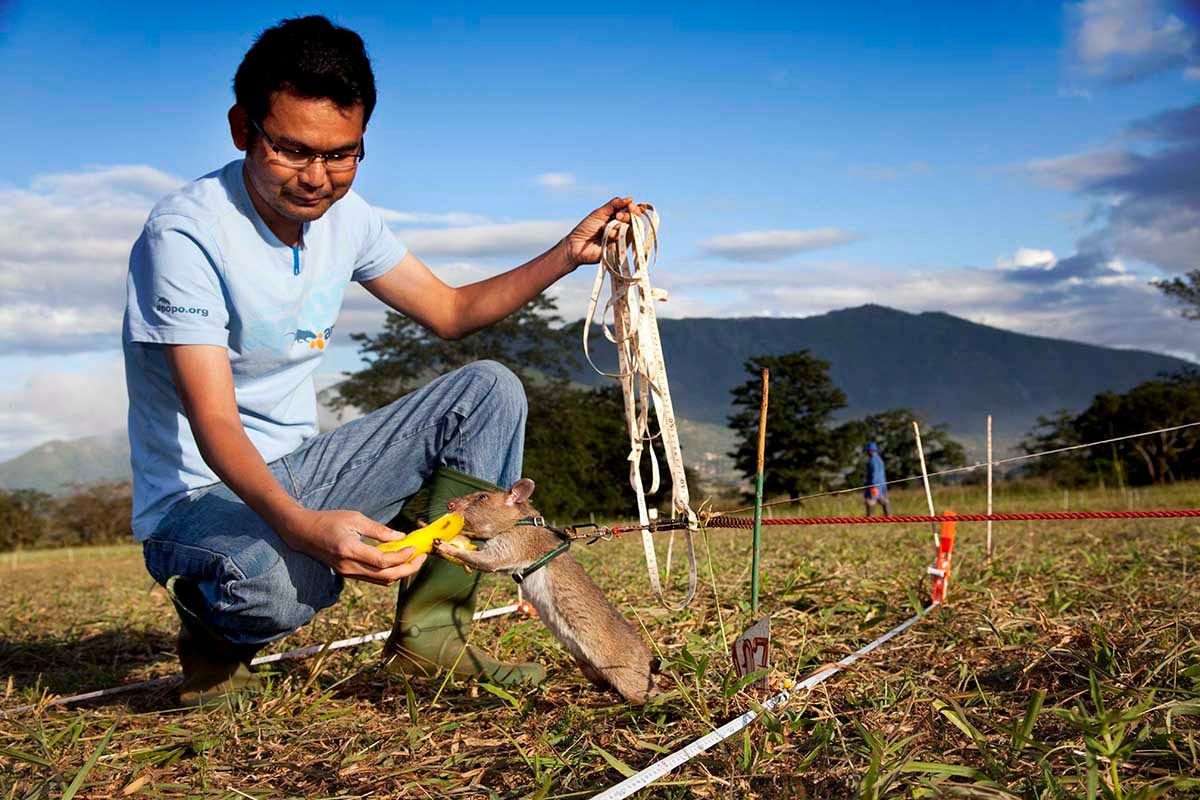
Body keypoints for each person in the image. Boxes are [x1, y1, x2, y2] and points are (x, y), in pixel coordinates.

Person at [123, 15, 643, 707]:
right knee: (277, 587)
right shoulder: (185, 234)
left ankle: (431, 636)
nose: (318, 178)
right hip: (197, 504)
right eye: (292, 151)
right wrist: (302, 525)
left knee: (488, 388)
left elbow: (451, 313)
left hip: (302, 468)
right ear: (242, 128)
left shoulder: (349, 218)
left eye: (343, 154)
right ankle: (214, 635)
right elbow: (214, 418)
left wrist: (565, 253)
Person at [863, 442, 890, 516]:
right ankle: (889, 517)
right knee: (883, 500)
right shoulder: (879, 459)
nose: (867, 452)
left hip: (874, 485)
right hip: (882, 484)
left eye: (868, 450)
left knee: (870, 501)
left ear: (870, 451)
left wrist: (872, 485)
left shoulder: (872, 460)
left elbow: (874, 474)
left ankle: (870, 519)